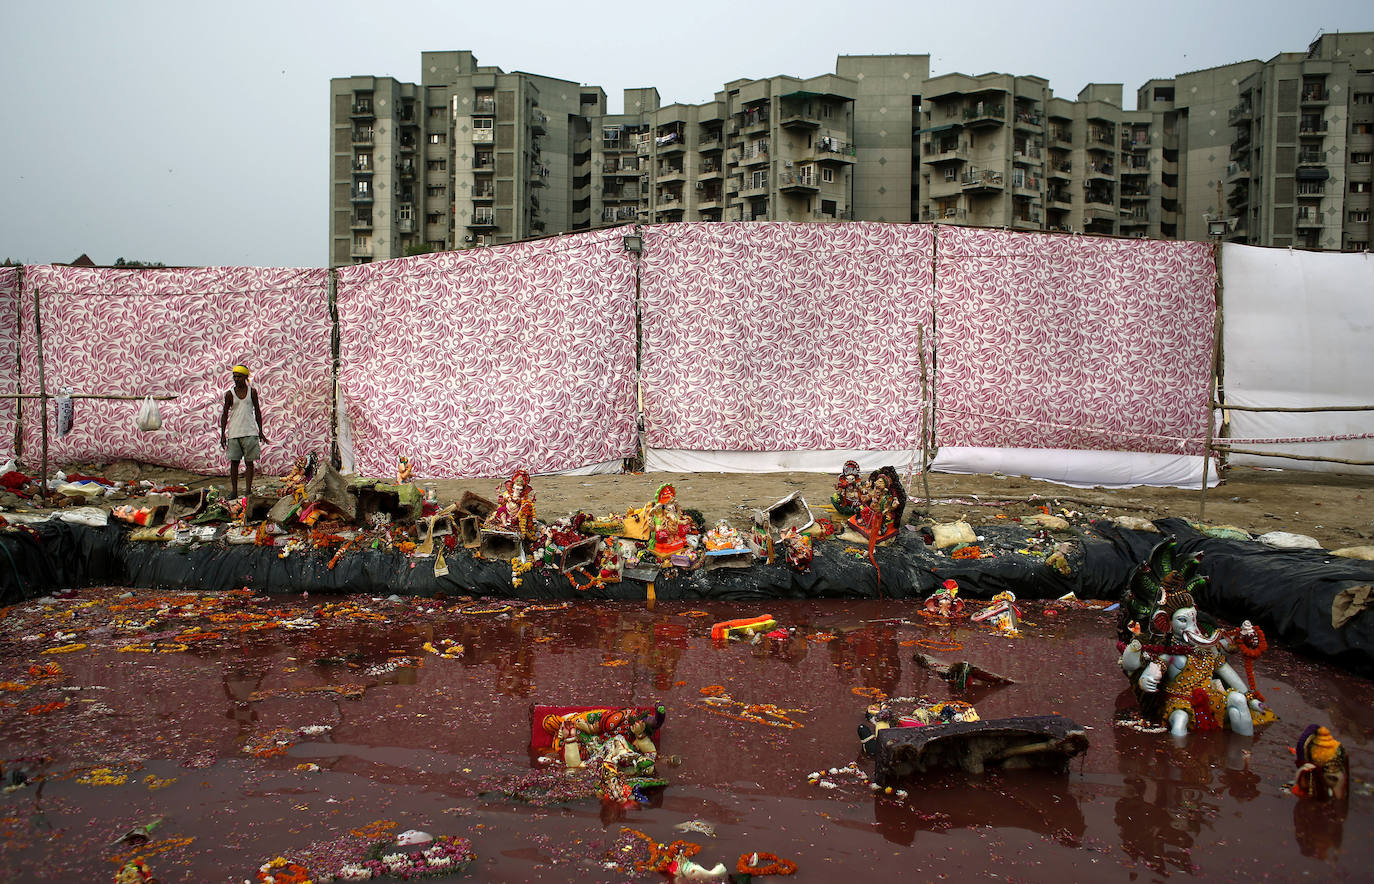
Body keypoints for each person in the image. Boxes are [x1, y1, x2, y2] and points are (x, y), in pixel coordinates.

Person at [220, 364, 267, 498]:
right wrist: (222, 433)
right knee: (234, 462)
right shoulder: (230, 394)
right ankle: (234, 491)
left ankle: (248, 491)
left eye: (239, 376)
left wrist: (260, 431)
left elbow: (257, 411)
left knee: (249, 462)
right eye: (234, 376)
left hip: (250, 431)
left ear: (246, 377)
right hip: (234, 432)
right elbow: (224, 414)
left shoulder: (252, 392)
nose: (236, 379)